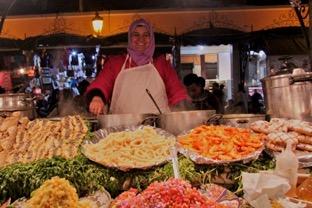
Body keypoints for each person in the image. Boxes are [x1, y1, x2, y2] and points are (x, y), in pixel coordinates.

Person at [86, 18, 188, 115]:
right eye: (136, 34)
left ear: (151, 38)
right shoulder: (115, 63)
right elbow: (102, 83)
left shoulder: (162, 64)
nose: (141, 39)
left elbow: (177, 92)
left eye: (146, 35)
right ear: (130, 37)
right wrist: (97, 98)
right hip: (121, 128)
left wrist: (183, 108)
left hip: (158, 126)